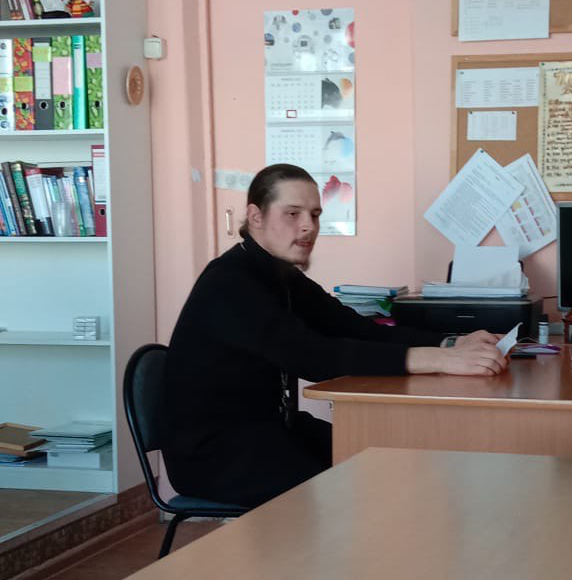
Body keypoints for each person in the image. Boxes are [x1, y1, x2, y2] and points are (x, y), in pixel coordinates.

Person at [161, 163, 506, 509]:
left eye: (314, 214)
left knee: (383, 460)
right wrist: (440, 360)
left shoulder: (280, 276)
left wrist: (449, 343)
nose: (308, 226)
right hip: (213, 452)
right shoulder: (230, 282)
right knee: (345, 494)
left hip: (268, 429)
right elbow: (314, 357)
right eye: (293, 213)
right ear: (256, 217)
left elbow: (354, 328)